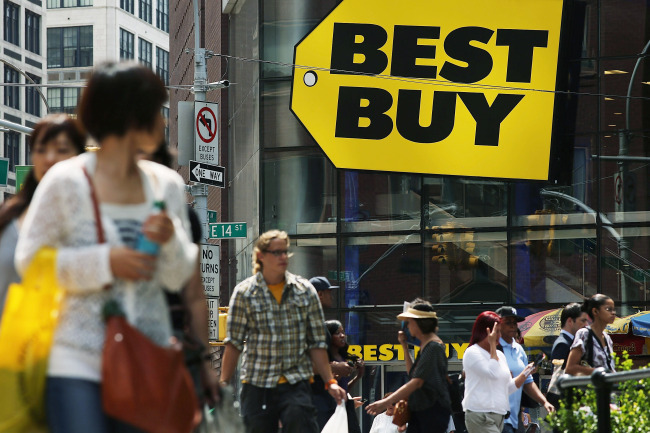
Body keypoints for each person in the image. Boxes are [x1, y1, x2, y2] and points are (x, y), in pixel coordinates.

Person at [15, 62, 199, 433]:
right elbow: (30, 262)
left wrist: (170, 242)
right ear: (132, 115)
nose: (163, 123)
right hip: (75, 360)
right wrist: (106, 262)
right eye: (157, 112)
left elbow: (176, 276)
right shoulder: (65, 182)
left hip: (148, 358)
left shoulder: (167, 186)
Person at [220, 230, 345, 433]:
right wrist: (223, 384)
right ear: (261, 256)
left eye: (285, 252)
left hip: (296, 382)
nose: (283, 257)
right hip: (257, 383)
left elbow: (317, 345)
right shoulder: (244, 293)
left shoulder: (304, 290)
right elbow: (233, 344)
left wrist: (330, 381)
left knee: (299, 421)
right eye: (277, 252)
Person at [138, 141, 219, 407]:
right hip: (119, 339)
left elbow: (194, 294)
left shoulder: (186, 218)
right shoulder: (107, 212)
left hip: (175, 344)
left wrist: (207, 362)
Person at [0, 114, 85, 323]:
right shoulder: (8, 215)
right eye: (41, 149)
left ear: (80, 155)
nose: (49, 158)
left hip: (68, 349)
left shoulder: (95, 218)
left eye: (62, 150)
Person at [366, 300, 451, 433]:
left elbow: (416, 382)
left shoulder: (433, 347)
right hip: (423, 412)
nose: (407, 326)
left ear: (419, 323)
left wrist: (386, 401)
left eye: (409, 322)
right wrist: (404, 345)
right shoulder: (427, 347)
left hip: (430, 412)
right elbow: (413, 374)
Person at [462, 311, 534, 433]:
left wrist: (526, 372)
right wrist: (492, 347)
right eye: (497, 332)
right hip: (481, 415)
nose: (500, 336)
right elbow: (493, 373)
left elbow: (507, 388)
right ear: (487, 331)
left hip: (499, 416)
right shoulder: (472, 352)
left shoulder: (499, 355)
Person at [495, 306, 554, 433]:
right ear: (498, 325)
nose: (512, 326)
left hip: (515, 416)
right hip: (496, 416)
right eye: (508, 322)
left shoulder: (519, 350)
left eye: (514, 323)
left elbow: (528, 382)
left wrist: (544, 402)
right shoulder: (492, 348)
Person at [326, 319, 364, 433]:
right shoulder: (324, 359)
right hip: (329, 408)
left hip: (345, 406)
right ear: (328, 336)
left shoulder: (343, 357)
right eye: (337, 333)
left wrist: (358, 375)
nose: (343, 336)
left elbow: (344, 389)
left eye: (343, 332)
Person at [565, 294, 617, 375]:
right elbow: (570, 368)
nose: (613, 313)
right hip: (589, 386)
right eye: (608, 309)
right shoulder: (584, 334)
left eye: (614, 309)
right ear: (595, 311)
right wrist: (599, 372)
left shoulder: (607, 338)